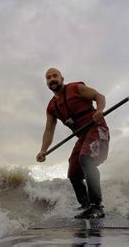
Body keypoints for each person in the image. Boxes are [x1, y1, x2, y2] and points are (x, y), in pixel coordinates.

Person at [36, 68, 110, 219]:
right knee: (73, 172)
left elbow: (98, 96)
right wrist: (43, 150)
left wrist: (99, 110)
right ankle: (86, 206)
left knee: (86, 158)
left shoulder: (76, 88)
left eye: (55, 76)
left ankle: (97, 206)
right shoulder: (51, 107)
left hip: (98, 129)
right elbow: (49, 130)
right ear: (47, 83)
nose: (52, 79)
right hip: (82, 137)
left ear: (62, 78)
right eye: (48, 78)